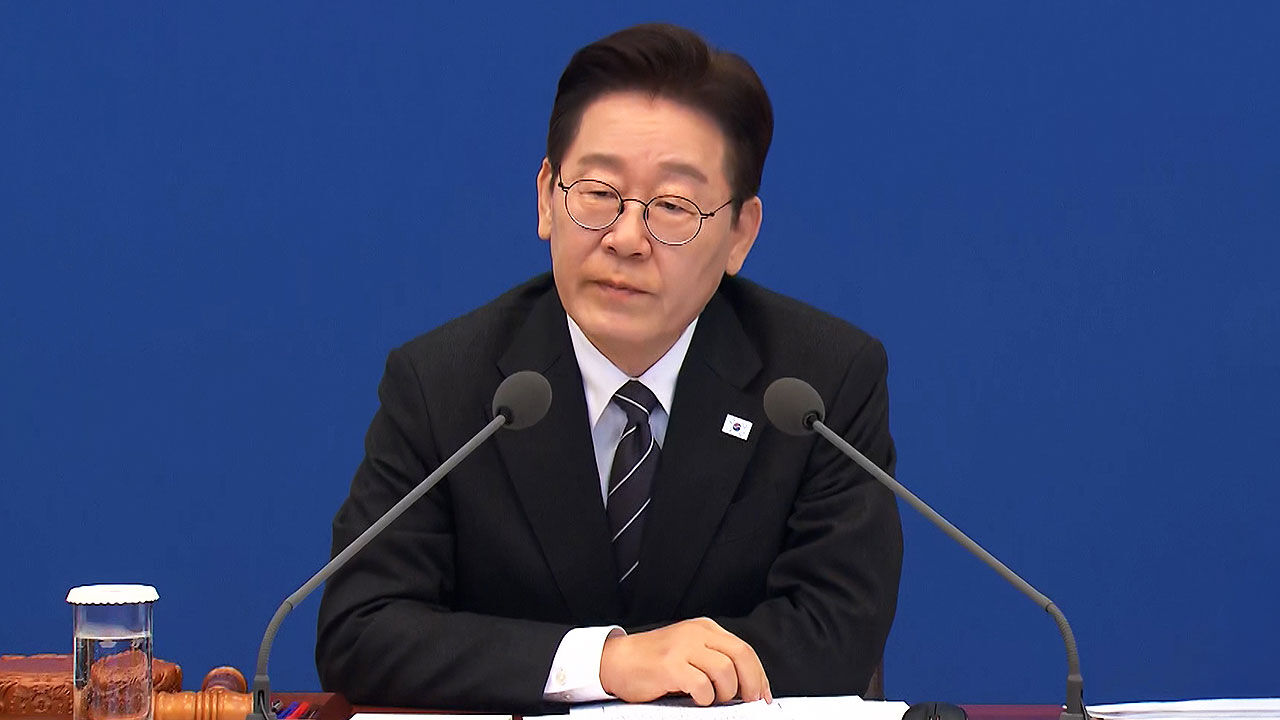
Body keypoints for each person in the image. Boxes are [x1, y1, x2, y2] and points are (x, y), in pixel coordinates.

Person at [315, 23, 902, 713]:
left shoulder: (818, 384)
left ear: (740, 233)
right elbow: (361, 628)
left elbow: (837, 633)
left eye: (673, 207)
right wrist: (605, 662)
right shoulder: (443, 383)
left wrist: (667, 673)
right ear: (546, 197)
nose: (625, 238)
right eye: (597, 193)